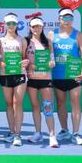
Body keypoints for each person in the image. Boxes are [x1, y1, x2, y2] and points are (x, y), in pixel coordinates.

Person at [50, 8, 82, 146]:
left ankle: (76, 133)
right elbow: (48, 53)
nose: (67, 21)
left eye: (70, 18)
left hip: (74, 75)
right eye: (64, 18)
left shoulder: (78, 35)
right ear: (59, 19)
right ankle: (64, 130)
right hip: (57, 75)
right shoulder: (52, 34)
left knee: (75, 102)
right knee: (60, 103)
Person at [0, 13, 29, 146]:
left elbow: (25, 57)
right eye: (8, 23)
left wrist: (25, 62)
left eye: (13, 23)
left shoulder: (22, 40)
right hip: (5, 74)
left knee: (17, 103)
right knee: (9, 103)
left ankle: (18, 134)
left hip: (20, 74)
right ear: (5, 25)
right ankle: (11, 131)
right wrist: (0, 63)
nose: (11, 26)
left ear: (17, 25)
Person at [26, 16, 58, 148]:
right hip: (31, 79)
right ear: (30, 28)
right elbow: (22, 60)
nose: (36, 29)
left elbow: (52, 59)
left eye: (38, 26)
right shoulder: (26, 41)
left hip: (45, 79)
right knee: (35, 106)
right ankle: (38, 133)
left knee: (48, 107)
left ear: (42, 27)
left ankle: (52, 135)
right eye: (34, 26)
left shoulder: (48, 42)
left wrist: (51, 63)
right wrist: (29, 65)